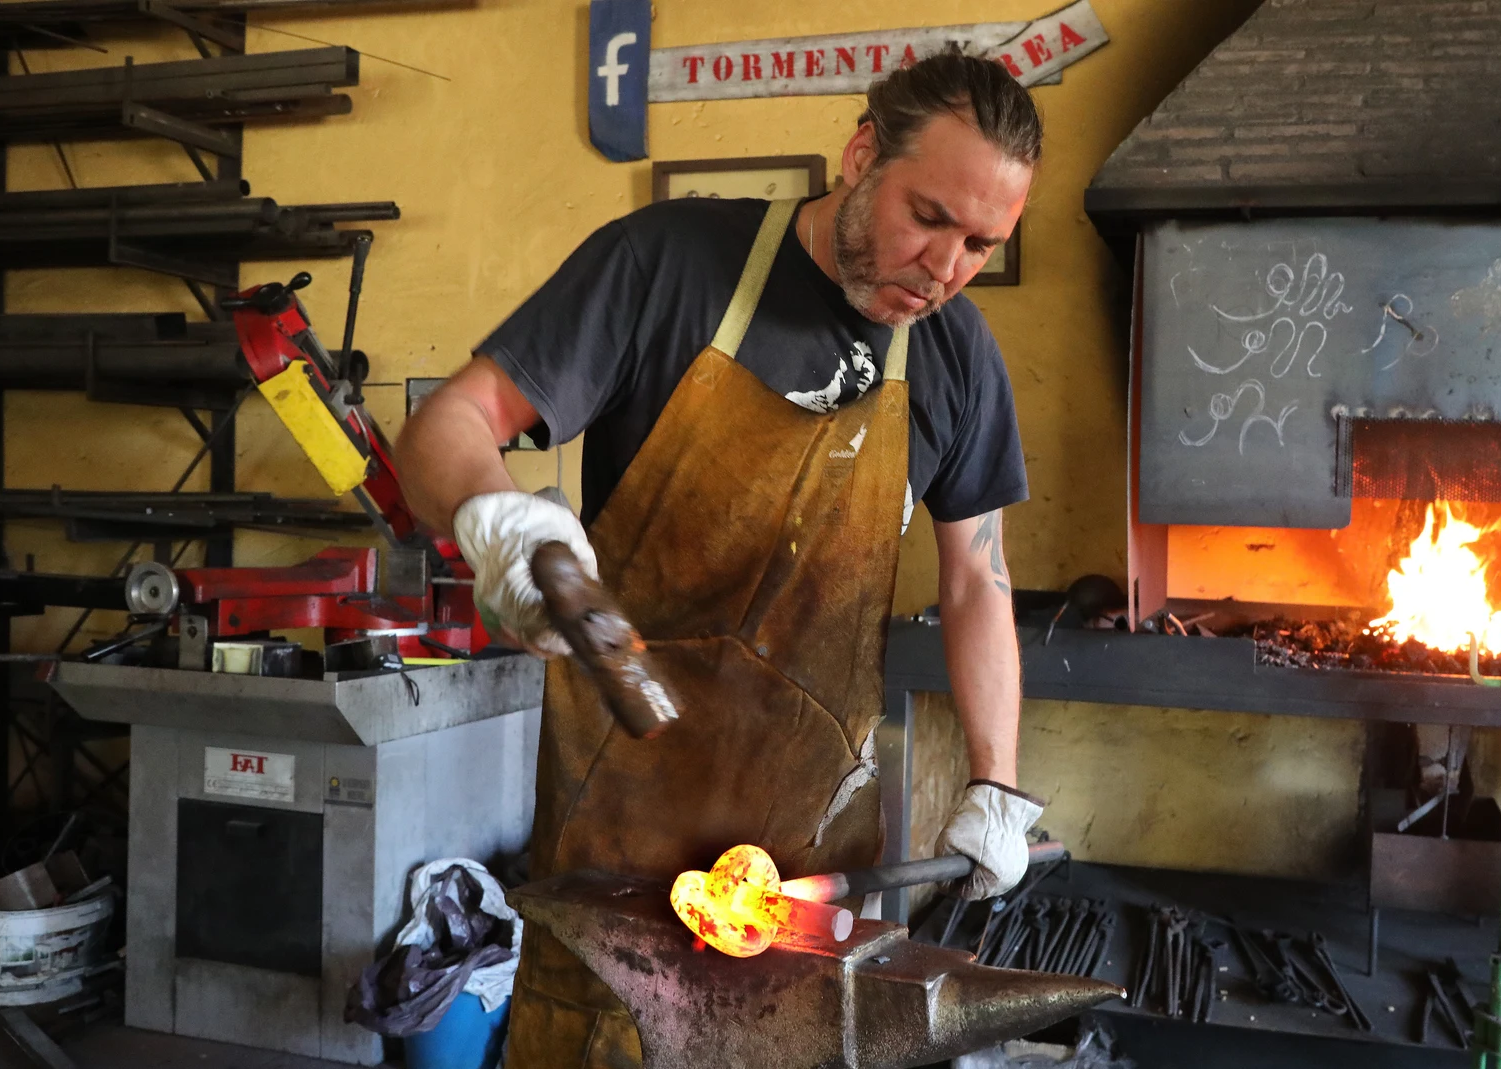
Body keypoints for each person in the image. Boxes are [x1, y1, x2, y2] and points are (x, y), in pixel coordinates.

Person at [395, 50, 1045, 1066]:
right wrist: (498, 519)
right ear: (862, 151)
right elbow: (450, 421)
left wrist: (998, 782)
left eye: (979, 243)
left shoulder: (957, 356)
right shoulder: (668, 262)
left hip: (811, 854)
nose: (944, 267)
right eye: (927, 217)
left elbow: (977, 579)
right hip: (623, 826)